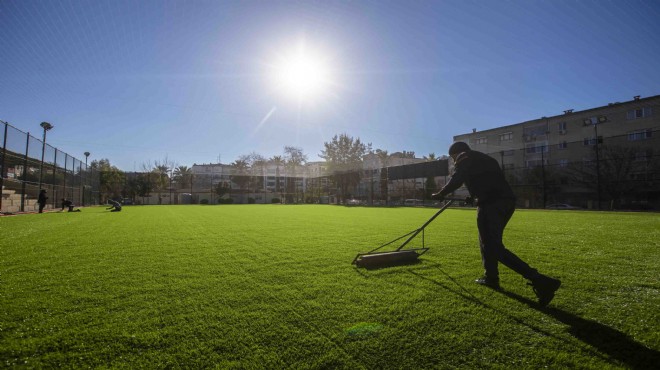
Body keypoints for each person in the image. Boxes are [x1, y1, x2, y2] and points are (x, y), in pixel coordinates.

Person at [432, 141, 561, 306]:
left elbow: (458, 177)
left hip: (491, 204)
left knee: (492, 246)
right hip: (505, 202)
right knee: (488, 242)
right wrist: (473, 196)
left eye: (453, 158)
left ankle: (540, 280)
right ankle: (491, 277)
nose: (454, 161)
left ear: (456, 153)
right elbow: (485, 180)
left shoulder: (465, 157)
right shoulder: (485, 159)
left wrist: (441, 193)